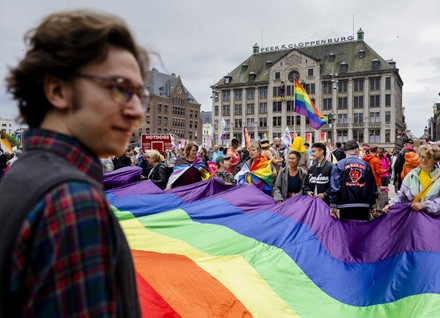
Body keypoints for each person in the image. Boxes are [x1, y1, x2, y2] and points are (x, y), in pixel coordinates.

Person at [0, 10, 147, 317]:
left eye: (138, 94)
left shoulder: (21, 176)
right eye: (120, 88)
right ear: (57, 90)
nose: (137, 111)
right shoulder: (73, 201)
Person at [383, 145, 440, 214]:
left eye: (428, 158)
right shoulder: (411, 175)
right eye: (421, 156)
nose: (423, 160)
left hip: (432, 220)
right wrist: (390, 204)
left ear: (435, 160)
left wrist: (424, 205)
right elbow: (401, 196)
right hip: (414, 218)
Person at [329, 140, 378, 220]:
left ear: (345, 152)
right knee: (362, 229)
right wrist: (372, 203)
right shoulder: (366, 165)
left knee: (346, 229)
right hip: (363, 204)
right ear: (357, 150)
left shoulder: (339, 165)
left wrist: (333, 205)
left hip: (345, 205)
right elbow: (372, 186)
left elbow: (335, 186)